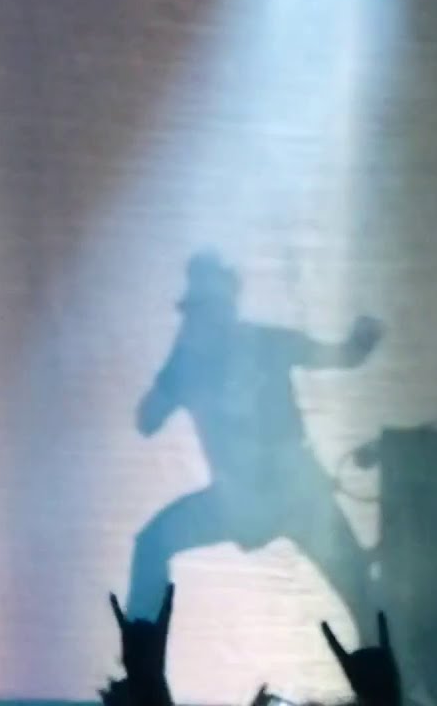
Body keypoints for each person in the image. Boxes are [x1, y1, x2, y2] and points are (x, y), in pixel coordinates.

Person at [126, 252, 384, 644]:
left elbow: (341, 355)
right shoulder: (194, 362)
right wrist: (178, 362)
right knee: (153, 544)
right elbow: (146, 421)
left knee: (359, 588)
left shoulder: (234, 350)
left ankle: (388, 668)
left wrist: (360, 341)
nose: (206, 321)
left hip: (287, 497)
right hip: (258, 500)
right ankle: (141, 661)